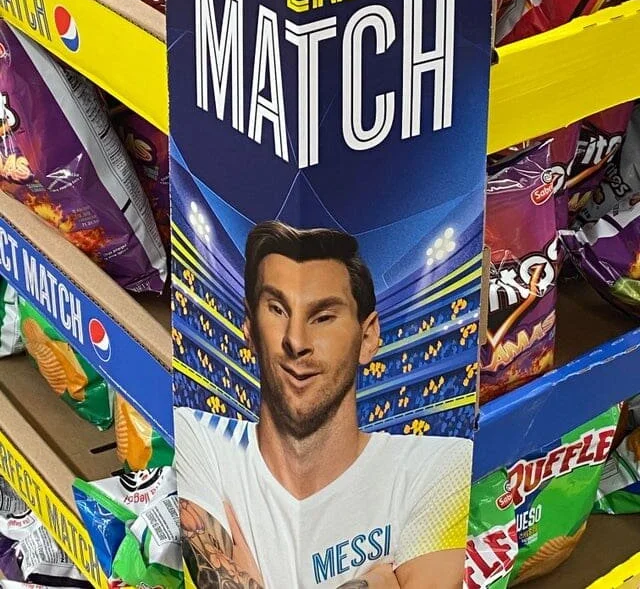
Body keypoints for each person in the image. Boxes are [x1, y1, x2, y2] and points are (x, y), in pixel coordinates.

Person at [175, 221, 472, 589]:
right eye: (277, 309)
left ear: (368, 337)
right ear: (249, 329)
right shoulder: (199, 437)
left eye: (323, 317)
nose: (297, 340)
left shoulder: (441, 466)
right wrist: (380, 582)